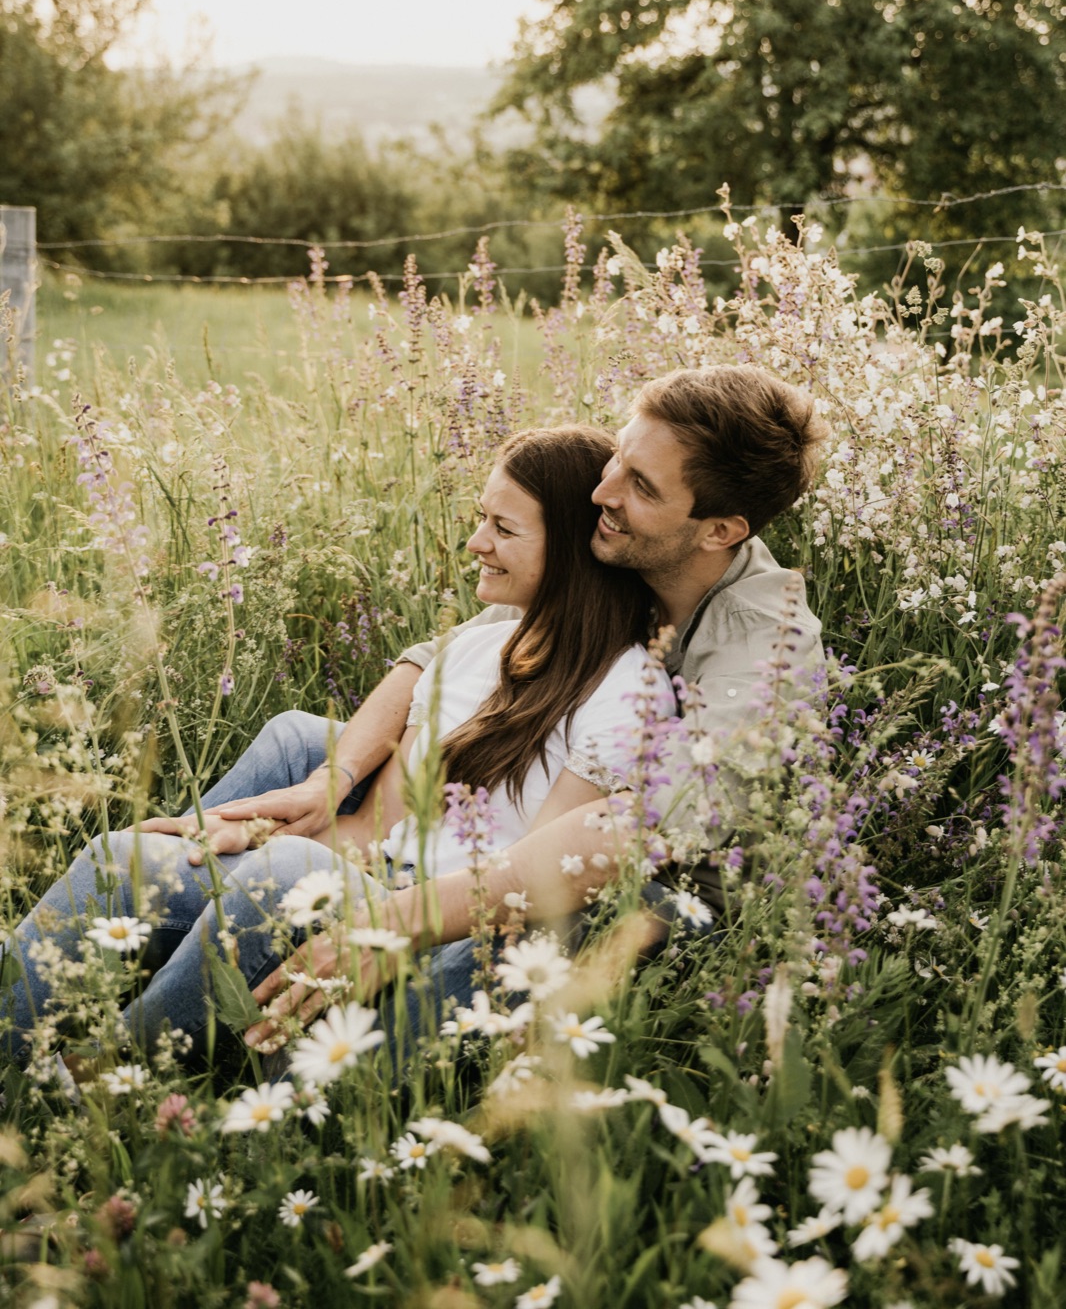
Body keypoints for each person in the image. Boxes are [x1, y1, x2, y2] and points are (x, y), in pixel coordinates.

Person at [187, 363, 830, 1049]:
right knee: (299, 740)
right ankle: (176, 905)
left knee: (502, 936)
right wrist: (335, 779)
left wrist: (406, 916)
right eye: (618, 457)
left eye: (640, 486)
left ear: (718, 531)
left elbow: (639, 828)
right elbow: (433, 661)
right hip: (553, 793)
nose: (601, 491)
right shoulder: (627, 545)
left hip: (647, 882)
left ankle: (332, 1062)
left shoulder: (768, 649)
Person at [0, 426, 674, 1064]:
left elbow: (534, 888)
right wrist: (257, 830)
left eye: (503, 528)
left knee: (284, 869)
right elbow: (380, 831)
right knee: (123, 857)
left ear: (568, 551)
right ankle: (16, 1024)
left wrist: (313, 871)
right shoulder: (476, 649)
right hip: (367, 881)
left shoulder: (626, 694)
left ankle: (102, 1072)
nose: (474, 542)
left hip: (441, 927)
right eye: (480, 518)